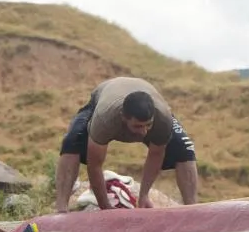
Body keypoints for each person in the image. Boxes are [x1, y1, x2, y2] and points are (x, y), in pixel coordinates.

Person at [54, 76, 199, 213]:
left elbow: (156, 154)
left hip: (148, 97)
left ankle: (193, 210)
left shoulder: (162, 118)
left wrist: (144, 196)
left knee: (185, 148)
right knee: (71, 142)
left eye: (148, 125)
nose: (143, 132)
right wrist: (105, 207)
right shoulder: (104, 118)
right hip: (103, 95)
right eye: (137, 126)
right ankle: (61, 210)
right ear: (123, 117)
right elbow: (95, 165)